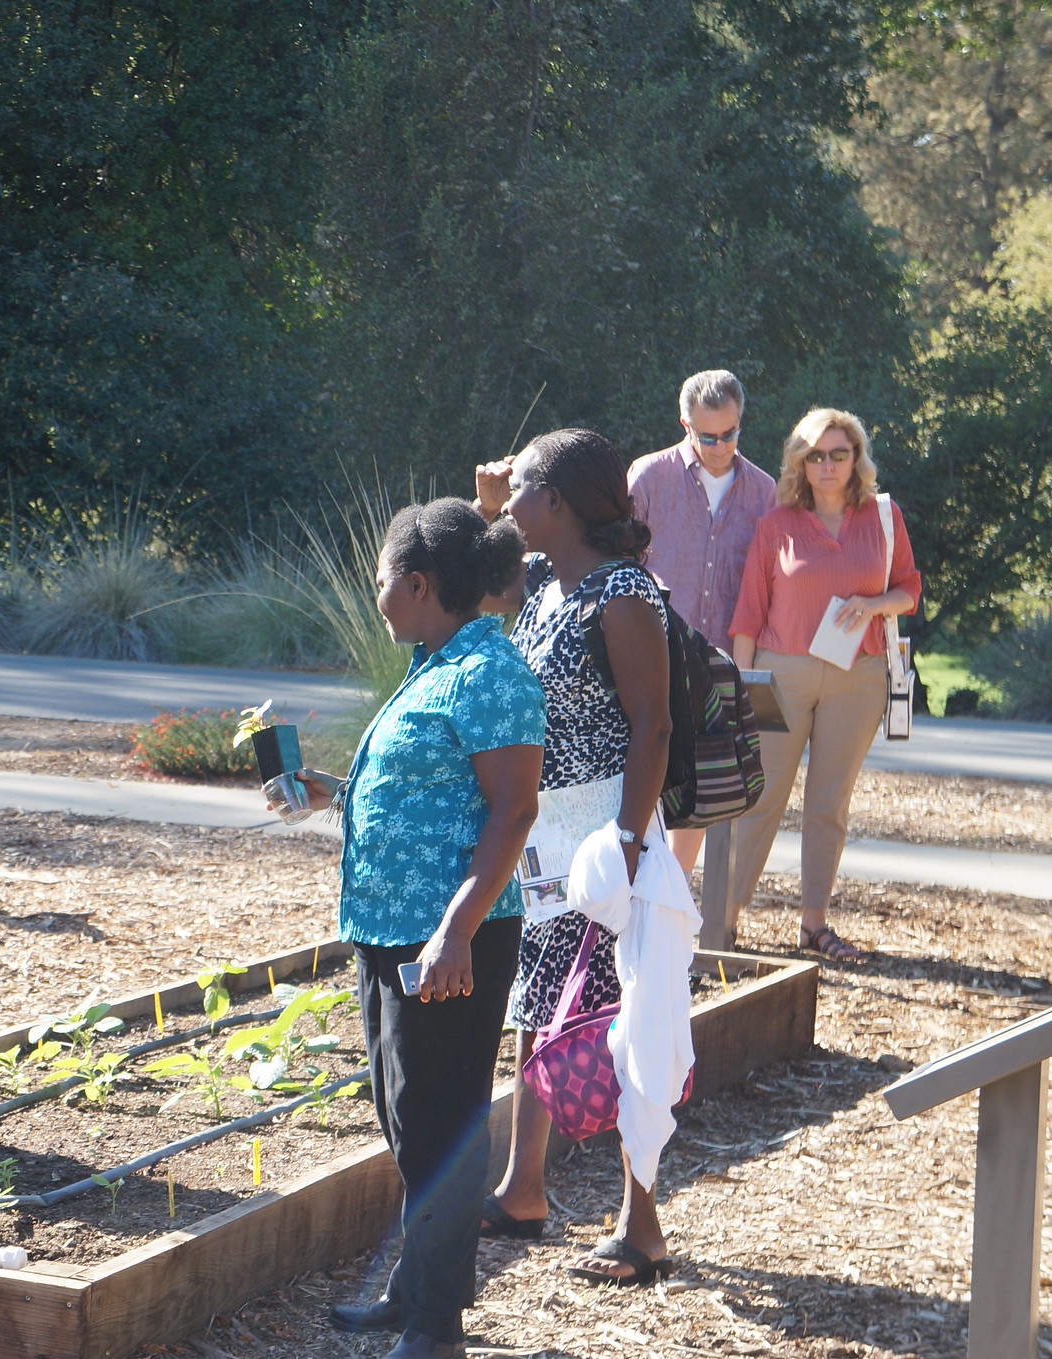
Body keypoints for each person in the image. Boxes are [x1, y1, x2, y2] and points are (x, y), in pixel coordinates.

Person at [287, 498, 542, 1359]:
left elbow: (513, 812)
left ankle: (438, 1328)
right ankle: (417, 1285)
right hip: (392, 931)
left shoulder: (487, 672)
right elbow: (432, 788)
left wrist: (455, 930)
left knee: (438, 1119)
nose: (376, 591)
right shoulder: (435, 662)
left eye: (381, 578)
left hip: (447, 938)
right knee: (405, 1114)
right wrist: (333, 787)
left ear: (418, 582)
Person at [473, 428, 679, 1285]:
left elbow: (652, 724)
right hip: (548, 836)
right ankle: (523, 1188)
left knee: (628, 1021)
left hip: (605, 837)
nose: (510, 496)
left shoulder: (622, 592)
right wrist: (489, 507)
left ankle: (642, 1225)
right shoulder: (546, 587)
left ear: (557, 501)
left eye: (521, 486)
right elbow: (474, 590)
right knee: (540, 1009)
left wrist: (628, 842)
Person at [725, 409, 920, 961]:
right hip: (781, 672)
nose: (828, 464)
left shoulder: (883, 517)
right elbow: (747, 615)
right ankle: (723, 921)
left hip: (857, 676)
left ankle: (814, 926)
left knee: (828, 804)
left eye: (839, 453)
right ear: (800, 463)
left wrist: (873, 603)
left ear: (856, 458)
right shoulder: (777, 524)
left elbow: (909, 588)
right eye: (816, 455)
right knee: (758, 799)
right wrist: (743, 687)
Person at [626, 370, 778, 875]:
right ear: (684, 423)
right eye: (707, 435)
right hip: (648, 656)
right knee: (639, 785)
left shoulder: (763, 492)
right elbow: (622, 567)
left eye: (730, 434)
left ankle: (669, 903)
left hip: (713, 668)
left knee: (695, 795)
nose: (719, 446)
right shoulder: (648, 477)